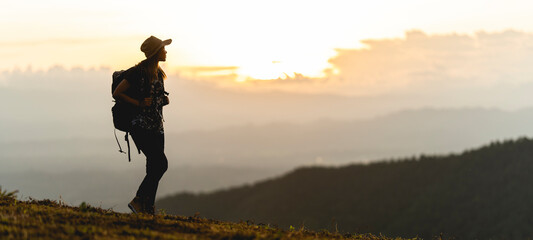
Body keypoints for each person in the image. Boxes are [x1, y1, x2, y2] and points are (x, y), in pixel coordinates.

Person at [112, 36, 171, 214]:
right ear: (155, 52)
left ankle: (147, 208)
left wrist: (162, 100)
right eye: (163, 48)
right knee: (161, 164)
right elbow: (118, 93)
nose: (166, 51)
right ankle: (139, 199)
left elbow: (153, 97)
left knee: (154, 166)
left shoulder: (158, 72)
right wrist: (138, 104)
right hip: (141, 126)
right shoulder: (138, 71)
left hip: (156, 125)